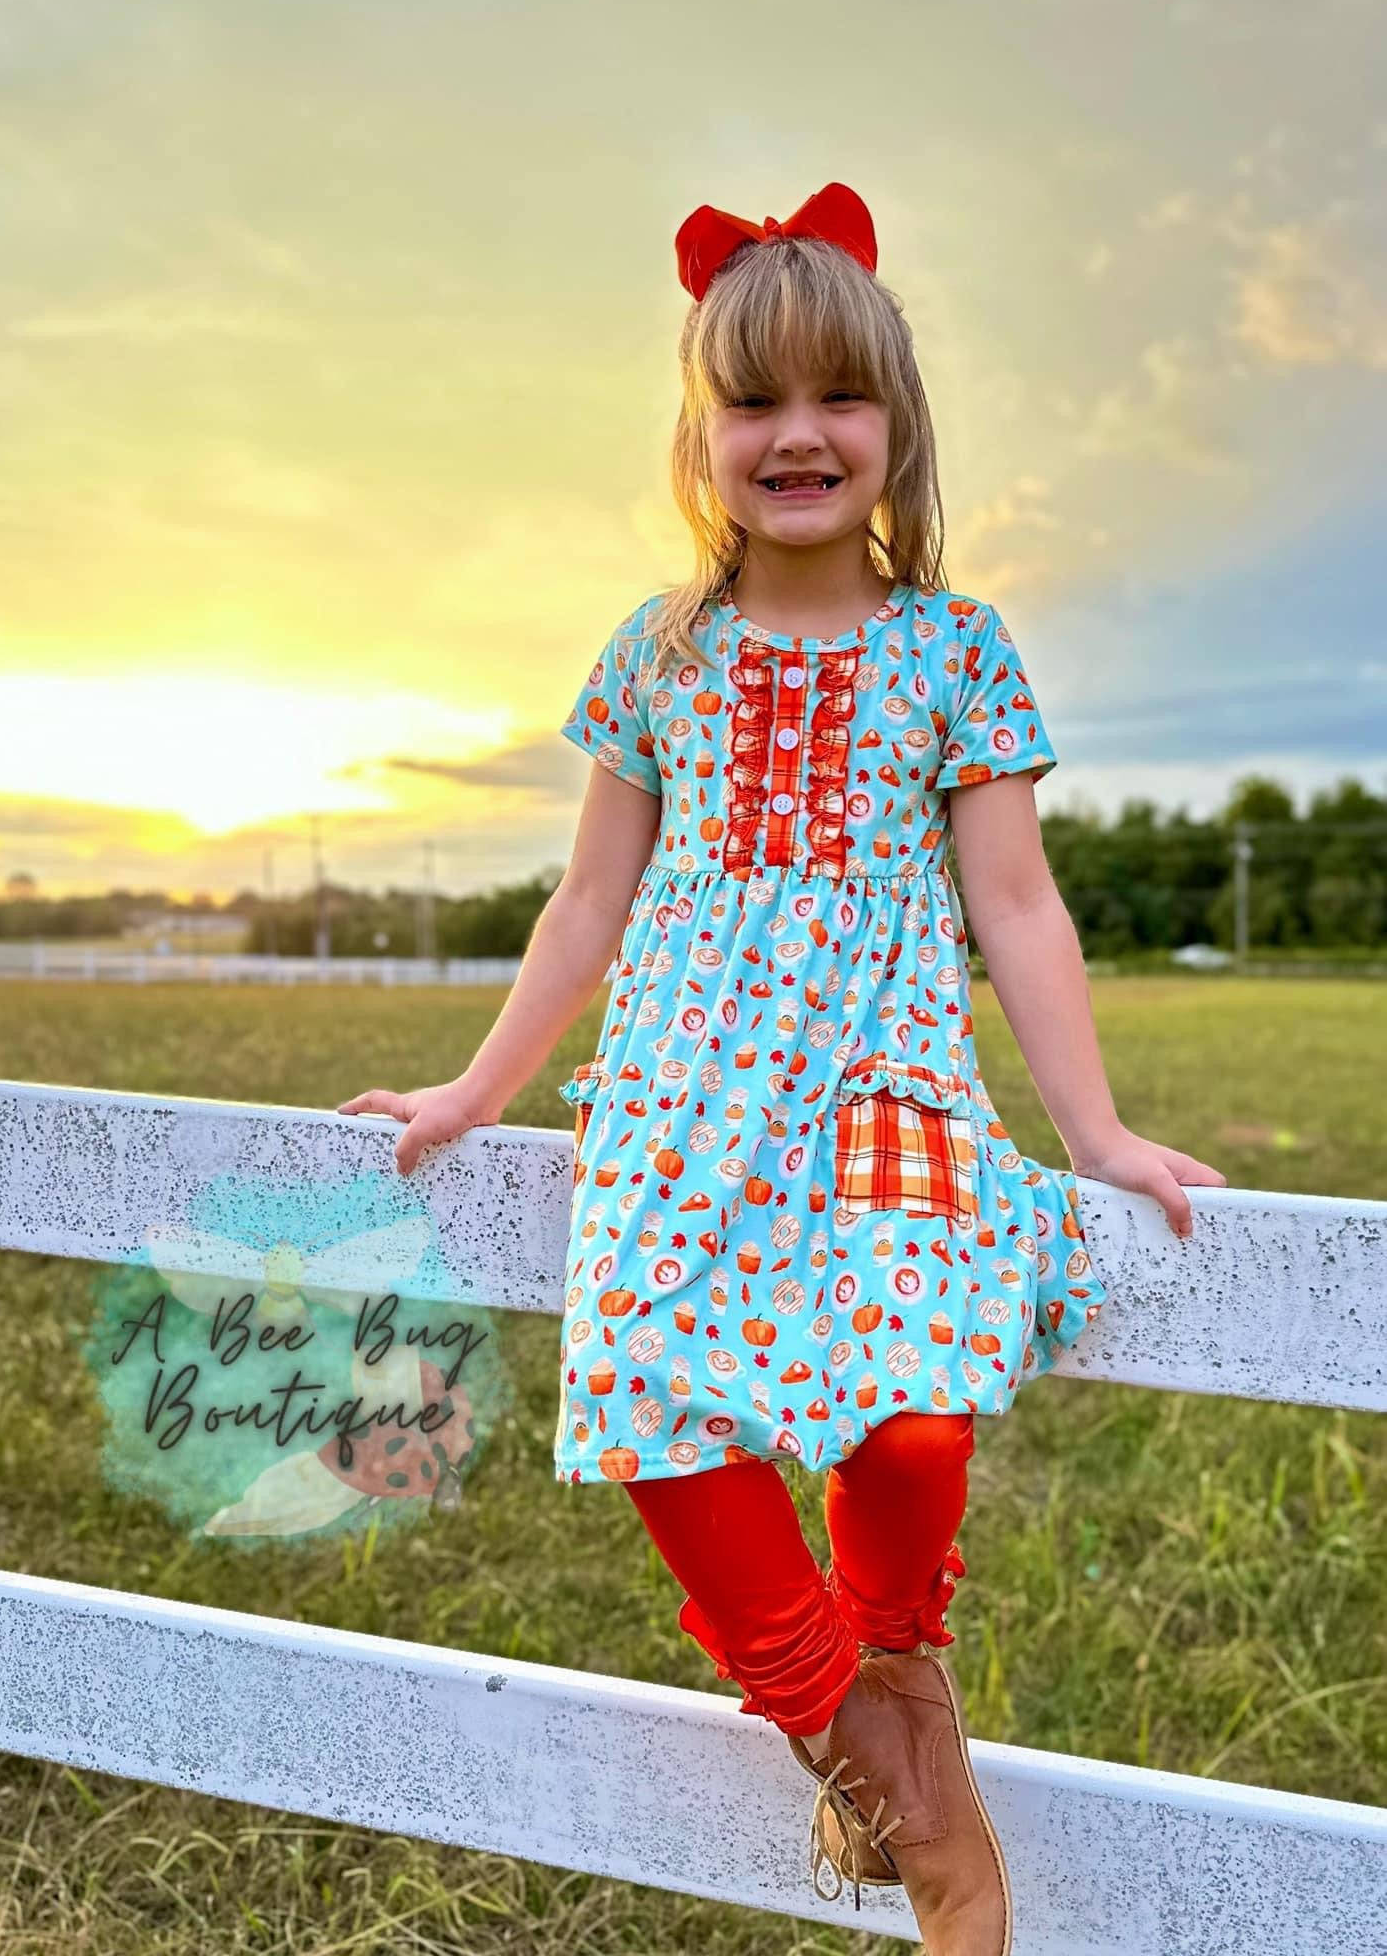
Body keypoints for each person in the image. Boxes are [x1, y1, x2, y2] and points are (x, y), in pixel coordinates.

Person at [337, 181, 1228, 1956]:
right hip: (676, 1105)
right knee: (666, 1419)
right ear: (702, 434)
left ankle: (896, 1663)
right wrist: (471, 1095)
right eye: (754, 403)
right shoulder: (656, 654)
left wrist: (1099, 1128)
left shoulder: (951, 648)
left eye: (838, 398)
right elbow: (585, 900)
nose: (797, 436)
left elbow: (1020, 903)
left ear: (894, 429)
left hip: (888, 1086)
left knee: (909, 1404)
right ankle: (894, 1783)